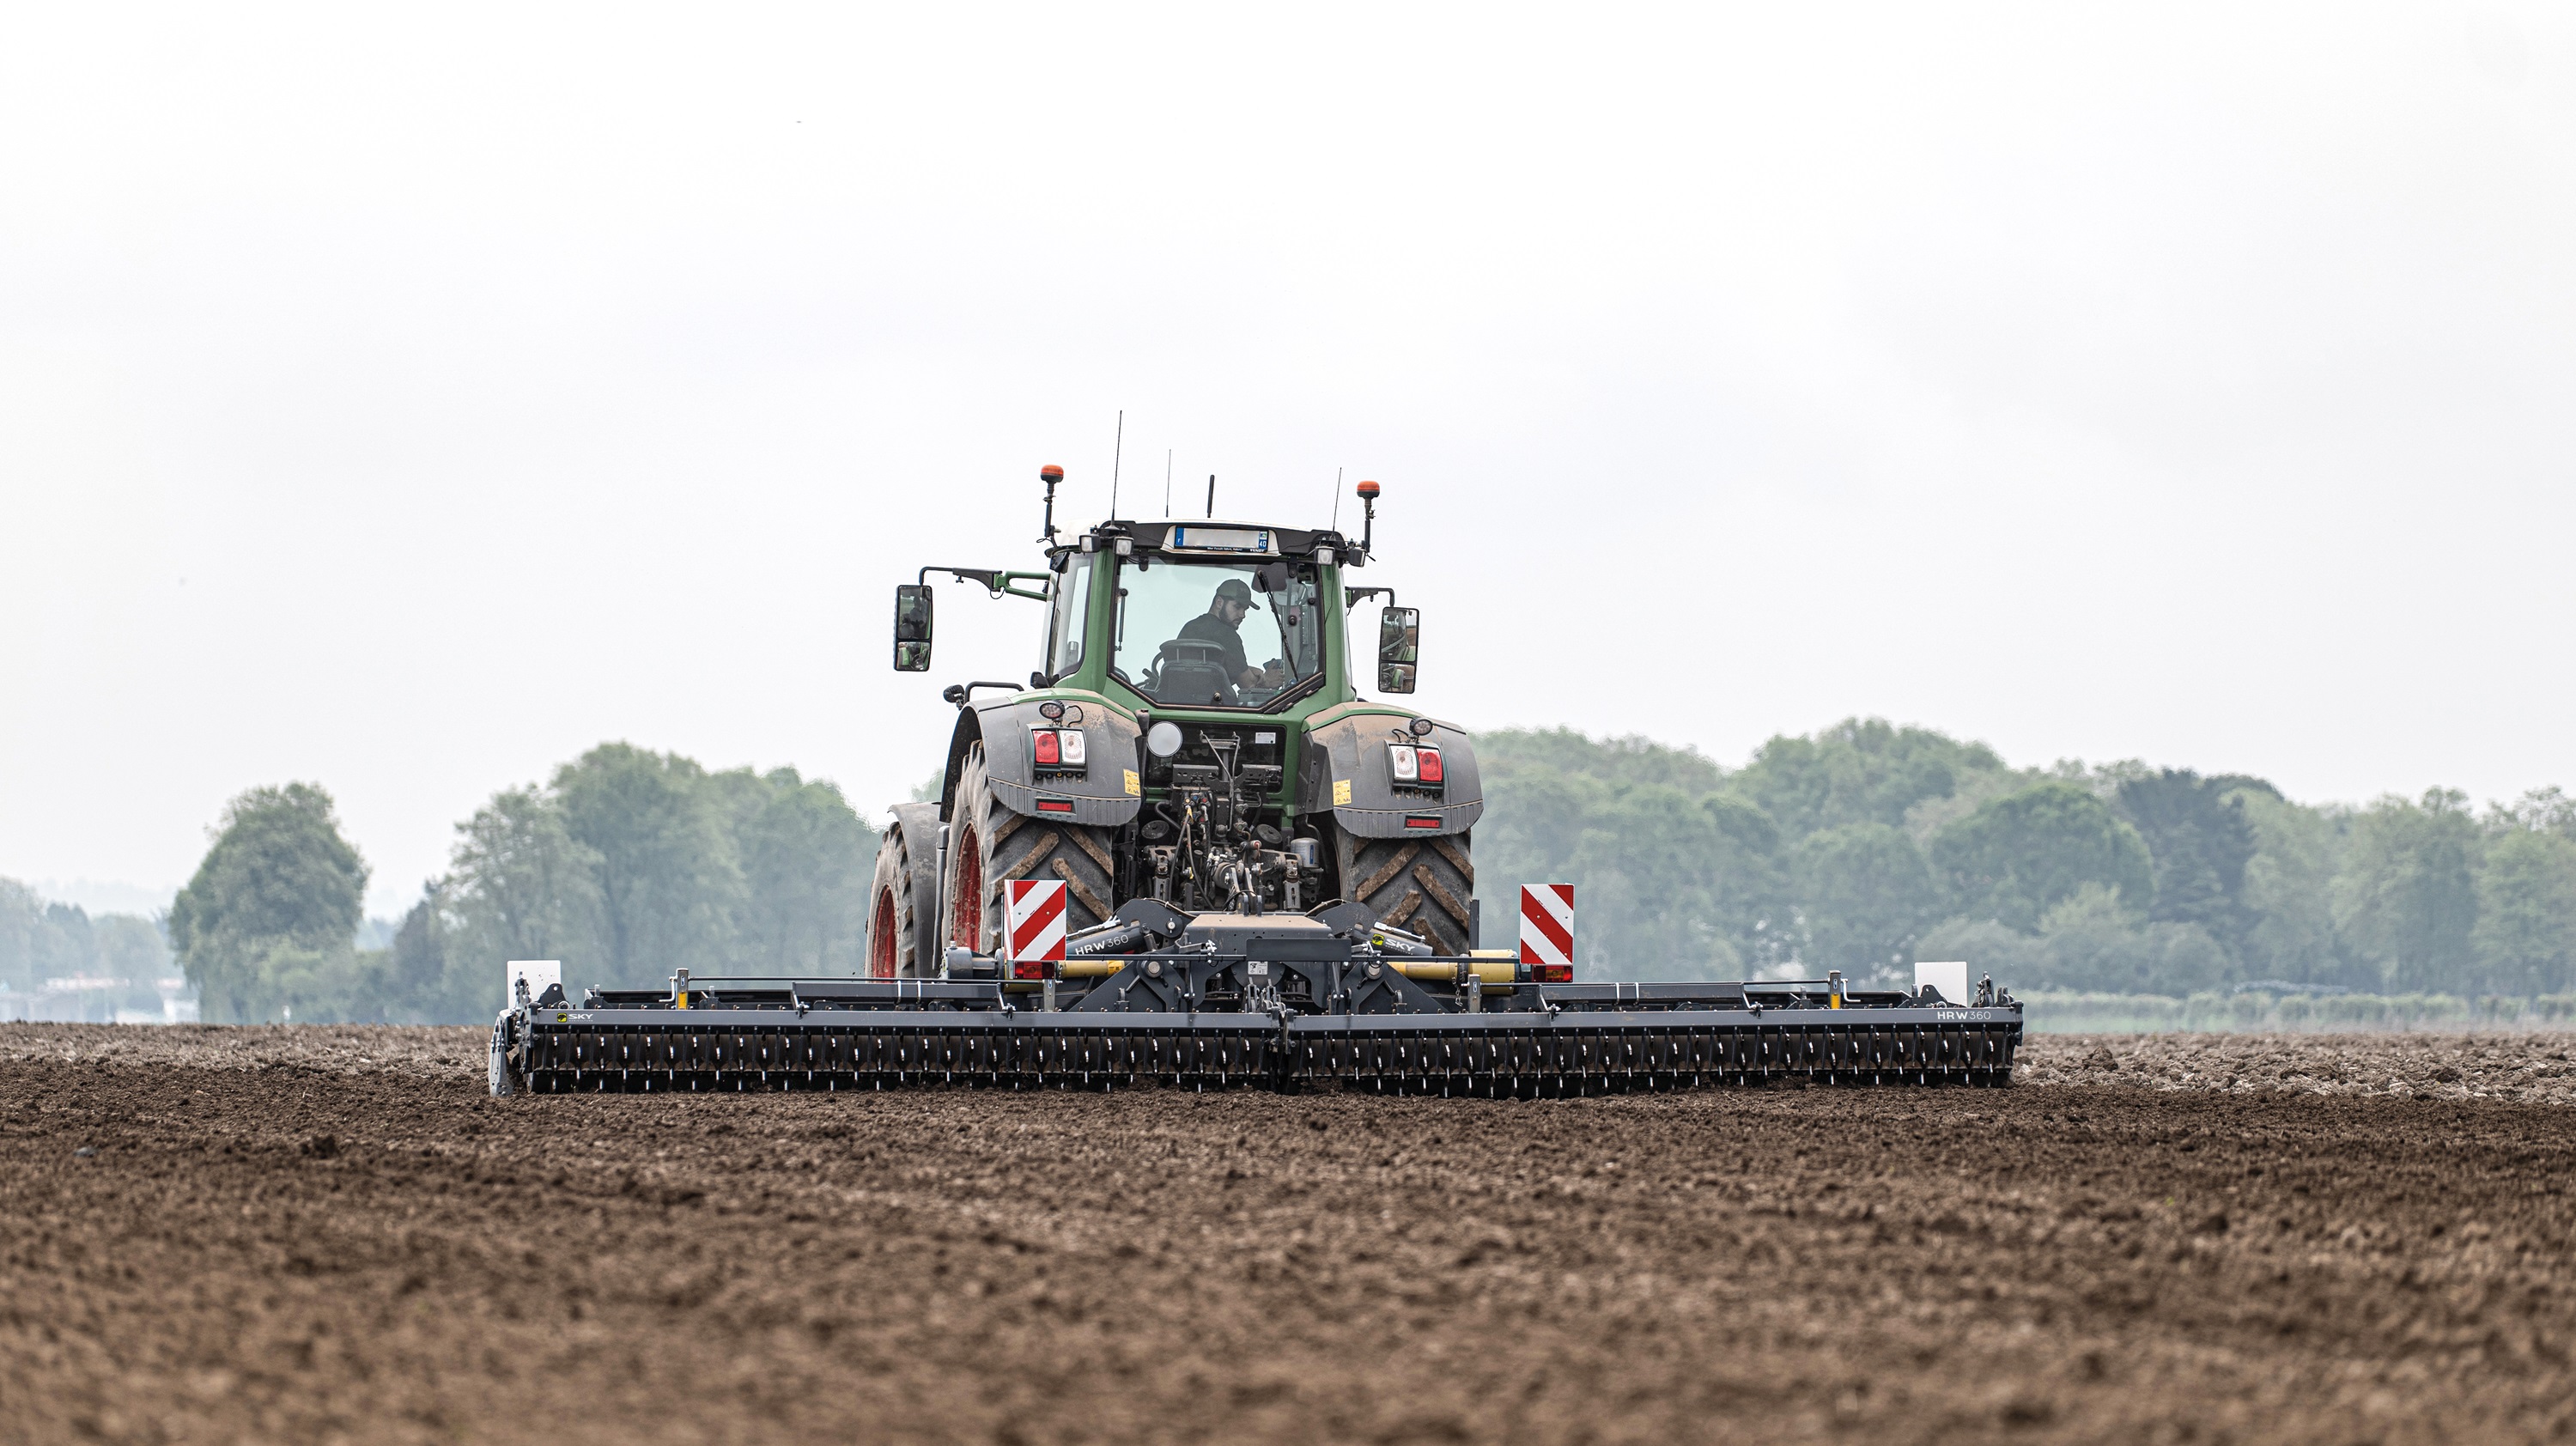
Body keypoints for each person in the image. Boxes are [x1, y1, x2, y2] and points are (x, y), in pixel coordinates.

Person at [1171, 578, 1277, 693]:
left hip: (1177, 700)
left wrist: (1247, 669)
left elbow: (1200, 672)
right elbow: (1248, 684)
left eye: (1245, 609)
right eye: (1237, 607)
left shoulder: (1190, 627)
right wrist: (1267, 680)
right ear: (1219, 603)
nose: (1242, 615)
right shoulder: (1228, 635)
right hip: (1214, 702)